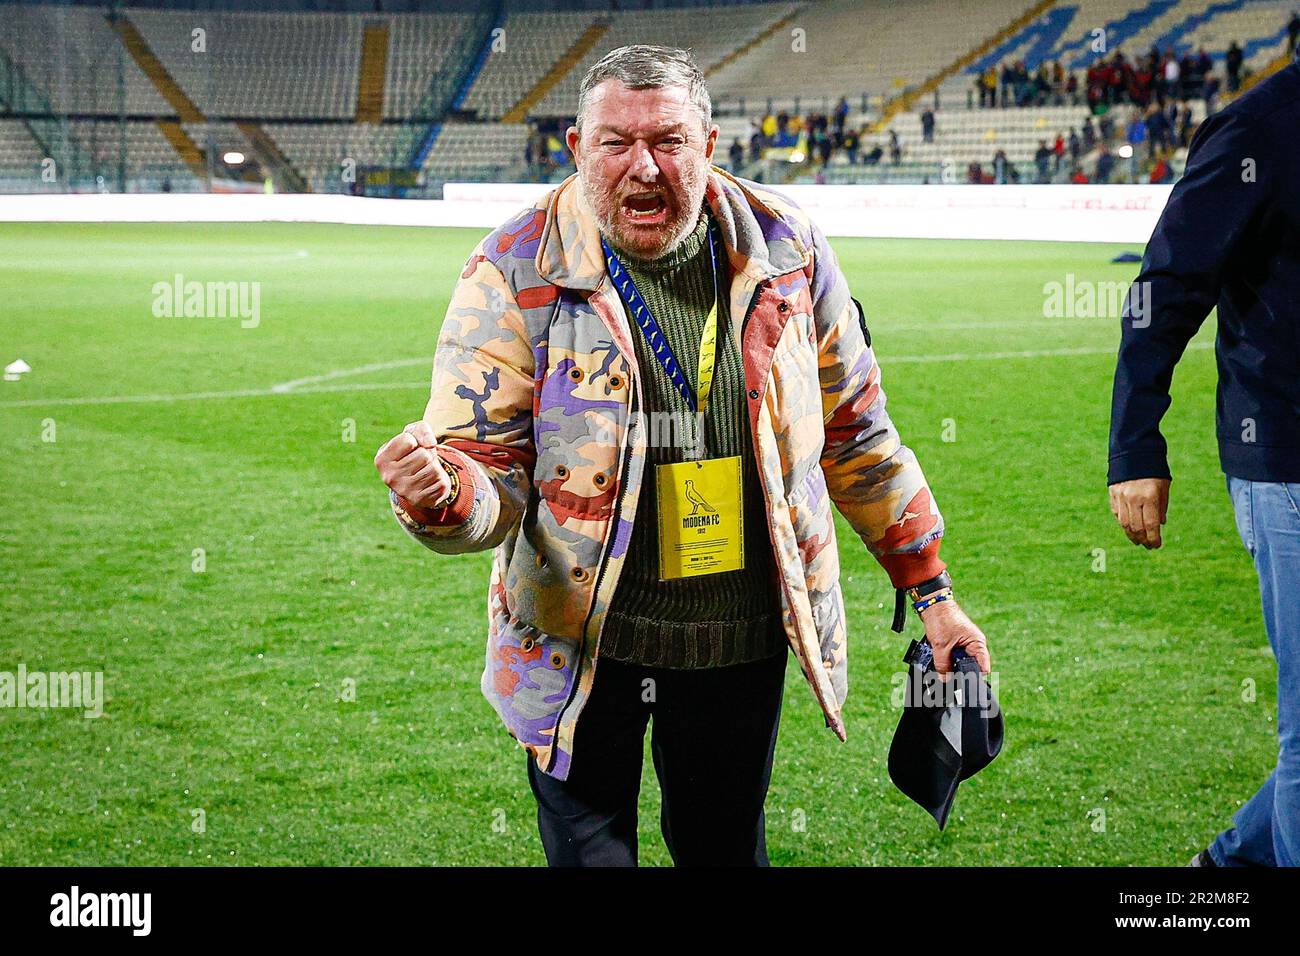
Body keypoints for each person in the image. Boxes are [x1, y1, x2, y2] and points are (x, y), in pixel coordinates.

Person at [374, 44, 990, 868]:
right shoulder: (513, 265)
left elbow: (857, 433)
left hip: (739, 644)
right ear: (575, 147)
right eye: (615, 143)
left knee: (725, 853)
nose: (644, 168)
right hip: (578, 646)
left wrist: (933, 594)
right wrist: (441, 493)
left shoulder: (787, 250)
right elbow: (487, 474)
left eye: (667, 141)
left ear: (709, 143)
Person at [1108, 47, 1300, 868]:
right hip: (1288, 464)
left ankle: (1221, 872)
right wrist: (1134, 446)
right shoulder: (1261, 127)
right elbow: (1164, 288)